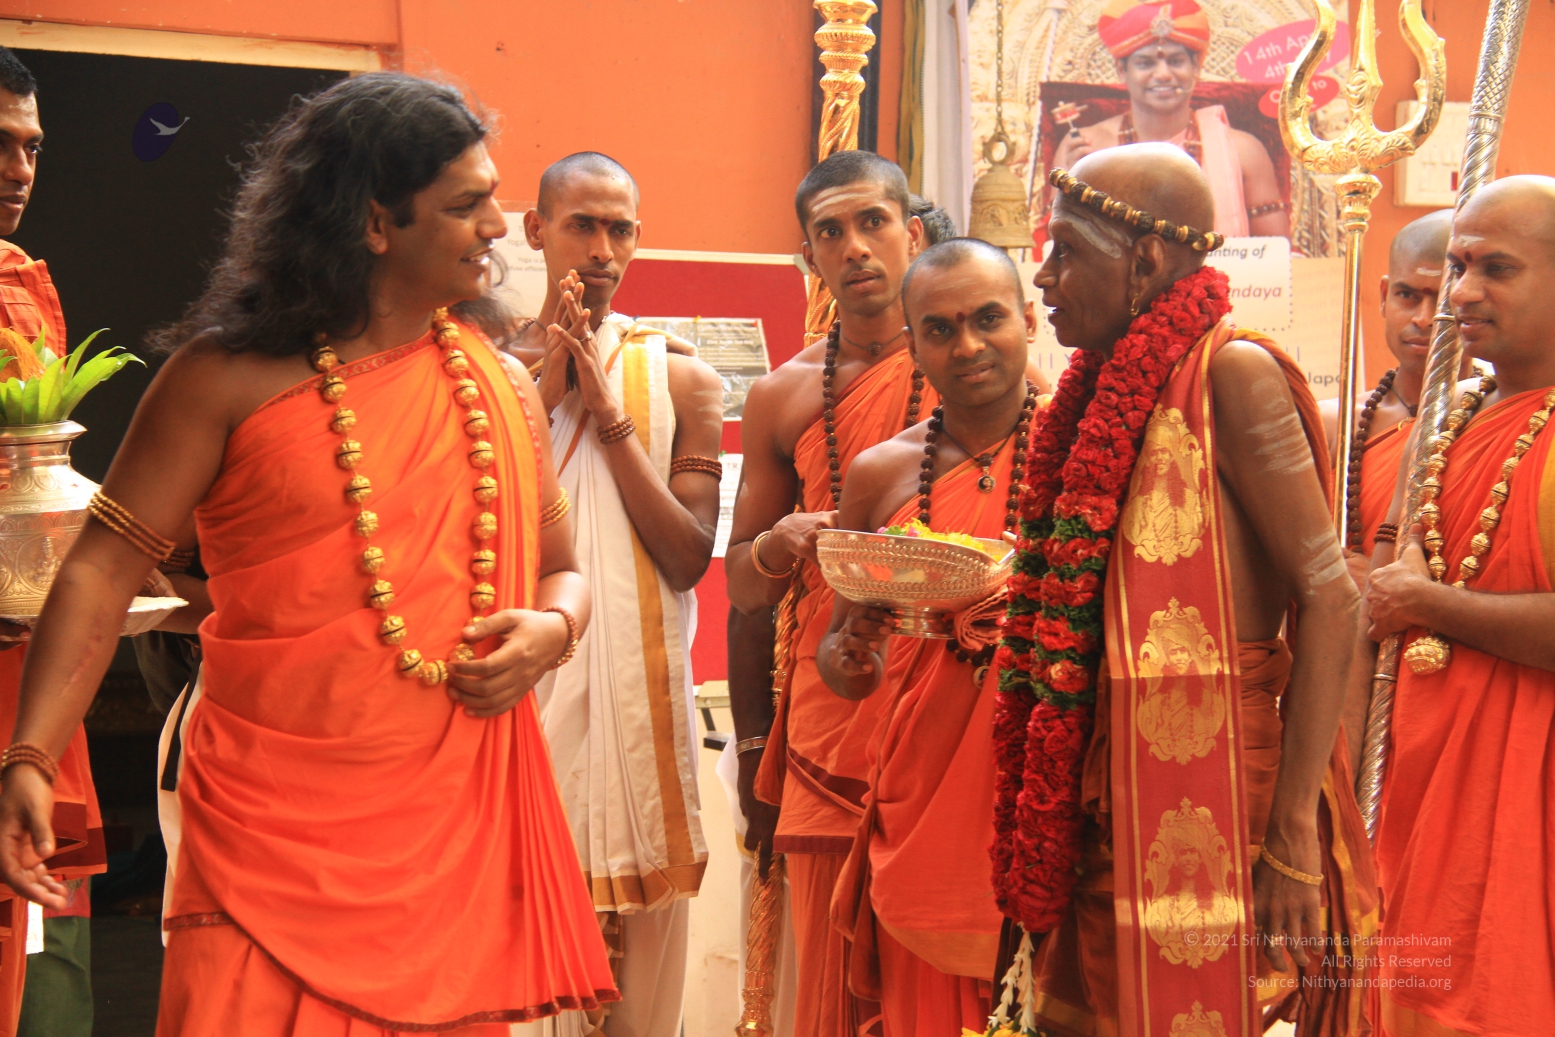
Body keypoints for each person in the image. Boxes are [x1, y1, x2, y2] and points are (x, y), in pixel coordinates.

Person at [0, 73, 616, 1035]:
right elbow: (100, 567)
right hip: (263, 833)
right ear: (374, 222)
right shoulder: (220, 379)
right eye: (465, 204)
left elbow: (562, 567)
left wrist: (554, 628)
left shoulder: (500, 385)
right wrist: (31, 756)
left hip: (447, 839)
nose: (499, 226)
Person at [992, 145, 1372, 1036]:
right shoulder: (1095, 387)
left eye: (1064, 252)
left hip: (1214, 787)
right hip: (1100, 782)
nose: (1043, 278)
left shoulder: (1232, 376)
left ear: (1146, 261)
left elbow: (1332, 597)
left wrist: (1291, 836)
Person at [504, 152, 723, 1037]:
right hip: (523, 693)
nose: (601, 250)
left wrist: (609, 415)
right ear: (535, 230)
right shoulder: (485, 373)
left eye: (619, 229)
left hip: (637, 714)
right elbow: (477, 534)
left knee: (640, 997)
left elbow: (686, 556)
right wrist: (546, 386)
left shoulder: (681, 378)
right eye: (581, 226)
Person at [725, 149, 932, 1037]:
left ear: (910, 233)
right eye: (830, 232)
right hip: (828, 710)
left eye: (872, 222)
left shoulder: (983, 372)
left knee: (934, 962)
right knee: (826, 976)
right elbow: (741, 585)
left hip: (945, 699)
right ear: (807, 255)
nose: (854, 247)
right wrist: (776, 543)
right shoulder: (783, 394)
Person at [816, 238, 1040, 1035]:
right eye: (940, 329)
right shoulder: (881, 471)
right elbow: (843, 657)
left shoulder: (1089, 452)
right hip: (922, 789)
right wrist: (850, 656)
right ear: (913, 344)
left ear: (1029, 318)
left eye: (988, 319)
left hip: (1041, 777)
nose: (968, 345)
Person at [1364, 174, 1555, 1037]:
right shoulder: (1459, 415)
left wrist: (1429, 603)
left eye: (1495, 269)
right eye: (1458, 265)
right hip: (1425, 778)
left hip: (1525, 800)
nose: (1462, 293)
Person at [0, 46, 103, 1037]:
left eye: (32, 147)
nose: (19, 169)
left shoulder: (28, 285)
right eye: (0, 143)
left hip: (27, 660)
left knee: (43, 922)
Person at [1050, 0, 1288, 238]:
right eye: (1145, 63)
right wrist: (1072, 193)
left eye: (1175, 61)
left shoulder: (1243, 150)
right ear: (1122, 70)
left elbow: (1276, 250)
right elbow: (1058, 245)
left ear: (1196, 67)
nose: (1163, 74)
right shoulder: (1085, 147)